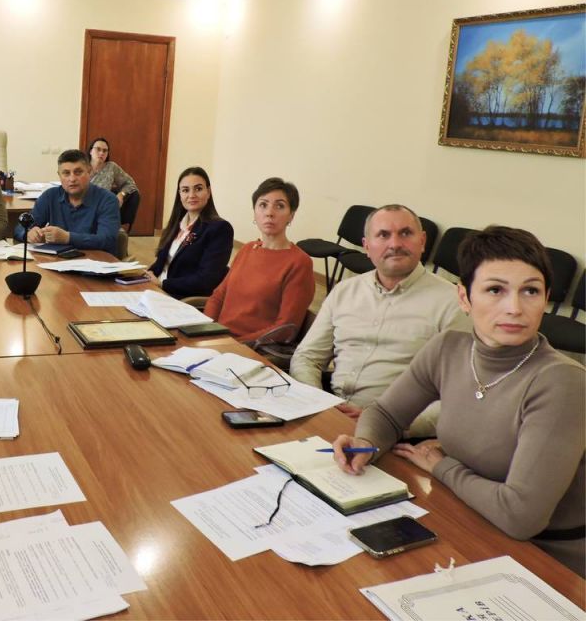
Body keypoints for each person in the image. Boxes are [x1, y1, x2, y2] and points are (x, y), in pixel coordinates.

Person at [332, 226, 584, 576]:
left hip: (546, 557)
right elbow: (387, 413)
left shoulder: (563, 381)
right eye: (495, 290)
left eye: (530, 291)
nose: (514, 308)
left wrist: (442, 467)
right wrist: (366, 444)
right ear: (464, 298)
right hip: (469, 517)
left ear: (546, 298)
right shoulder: (448, 348)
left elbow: (520, 516)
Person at [291, 204, 469, 437]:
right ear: (367, 246)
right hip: (327, 414)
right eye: (383, 235)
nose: (395, 244)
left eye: (405, 233)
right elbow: (307, 357)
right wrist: (318, 403)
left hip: (394, 432)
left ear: (422, 241)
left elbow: (460, 396)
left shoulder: (453, 304)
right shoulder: (345, 291)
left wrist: (387, 421)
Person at [204, 177, 314, 341]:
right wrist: (206, 330)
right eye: (263, 205)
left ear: (291, 215)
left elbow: (285, 328)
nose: (269, 213)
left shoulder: (299, 262)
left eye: (280, 206)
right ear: (254, 212)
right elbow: (218, 297)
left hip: (252, 348)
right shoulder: (247, 249)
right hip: (217, 338)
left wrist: (233, 344)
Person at [146, 167, 233, 299]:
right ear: (180, 194)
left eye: (198, 189)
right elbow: (161, 263)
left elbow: (206, 280)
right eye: (185, 190)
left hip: (180, 297)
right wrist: (146, 275)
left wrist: (162, 284)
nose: (191, 195)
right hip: (156, 290)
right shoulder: (176, 224)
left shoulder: (220, 229)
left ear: (208, 192)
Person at [14, 149, 120, 255]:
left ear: (89, 171)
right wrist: (28, 234)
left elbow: (107, 240)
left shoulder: (108, 200)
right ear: (59, 175)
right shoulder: (50, 196)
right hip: (56, 260)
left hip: (96, 261)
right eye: (66, 173)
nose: (72, 179)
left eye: (78, 172)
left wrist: (68, 238)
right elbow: (19, 229)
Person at [87, 137, 139, 230]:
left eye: (105, 151)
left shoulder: (111, 167)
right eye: (98, 149)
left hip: (103, 210)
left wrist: (121, 194)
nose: (101, 153)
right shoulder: (81, 167)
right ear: (91, 151)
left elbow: (131, 183)